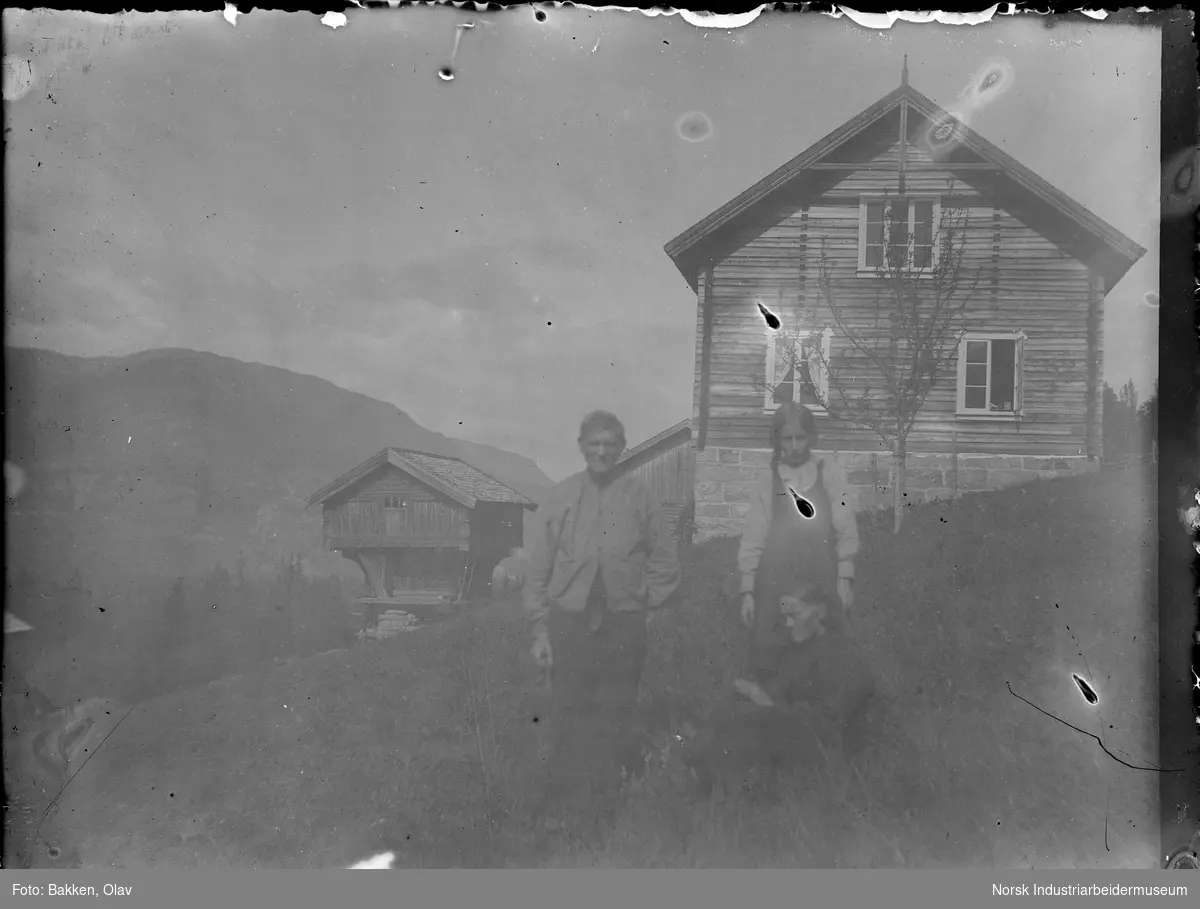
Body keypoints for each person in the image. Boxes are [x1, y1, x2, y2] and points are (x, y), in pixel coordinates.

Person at [523, 410, 682, 841]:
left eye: (610, 444)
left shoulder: (639, 496)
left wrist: (644, 601)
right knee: (568, 715)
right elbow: (537, 568)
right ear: (581, 446)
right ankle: (562, 807)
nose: (602, 452)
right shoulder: (561, 497)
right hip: (569, 623)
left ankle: (607, 808)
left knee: (616, 715)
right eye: (594, 444)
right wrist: (540, 630)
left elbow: (666, 558)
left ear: (622, 449)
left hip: (623, 625)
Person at [733, 402, 875, 754]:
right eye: (787, 439)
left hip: (821, 580)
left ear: (811, 437)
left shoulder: (829, 473)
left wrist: (845, 577)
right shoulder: (769, 478)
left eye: (800, 438)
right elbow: (753, 537)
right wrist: (748, 589)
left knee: (829, 652)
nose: (794, 446)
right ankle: (769, 737)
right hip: (776, 583)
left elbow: (845, 529)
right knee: (772, 653)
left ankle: (830, 737)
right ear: (777, 440)